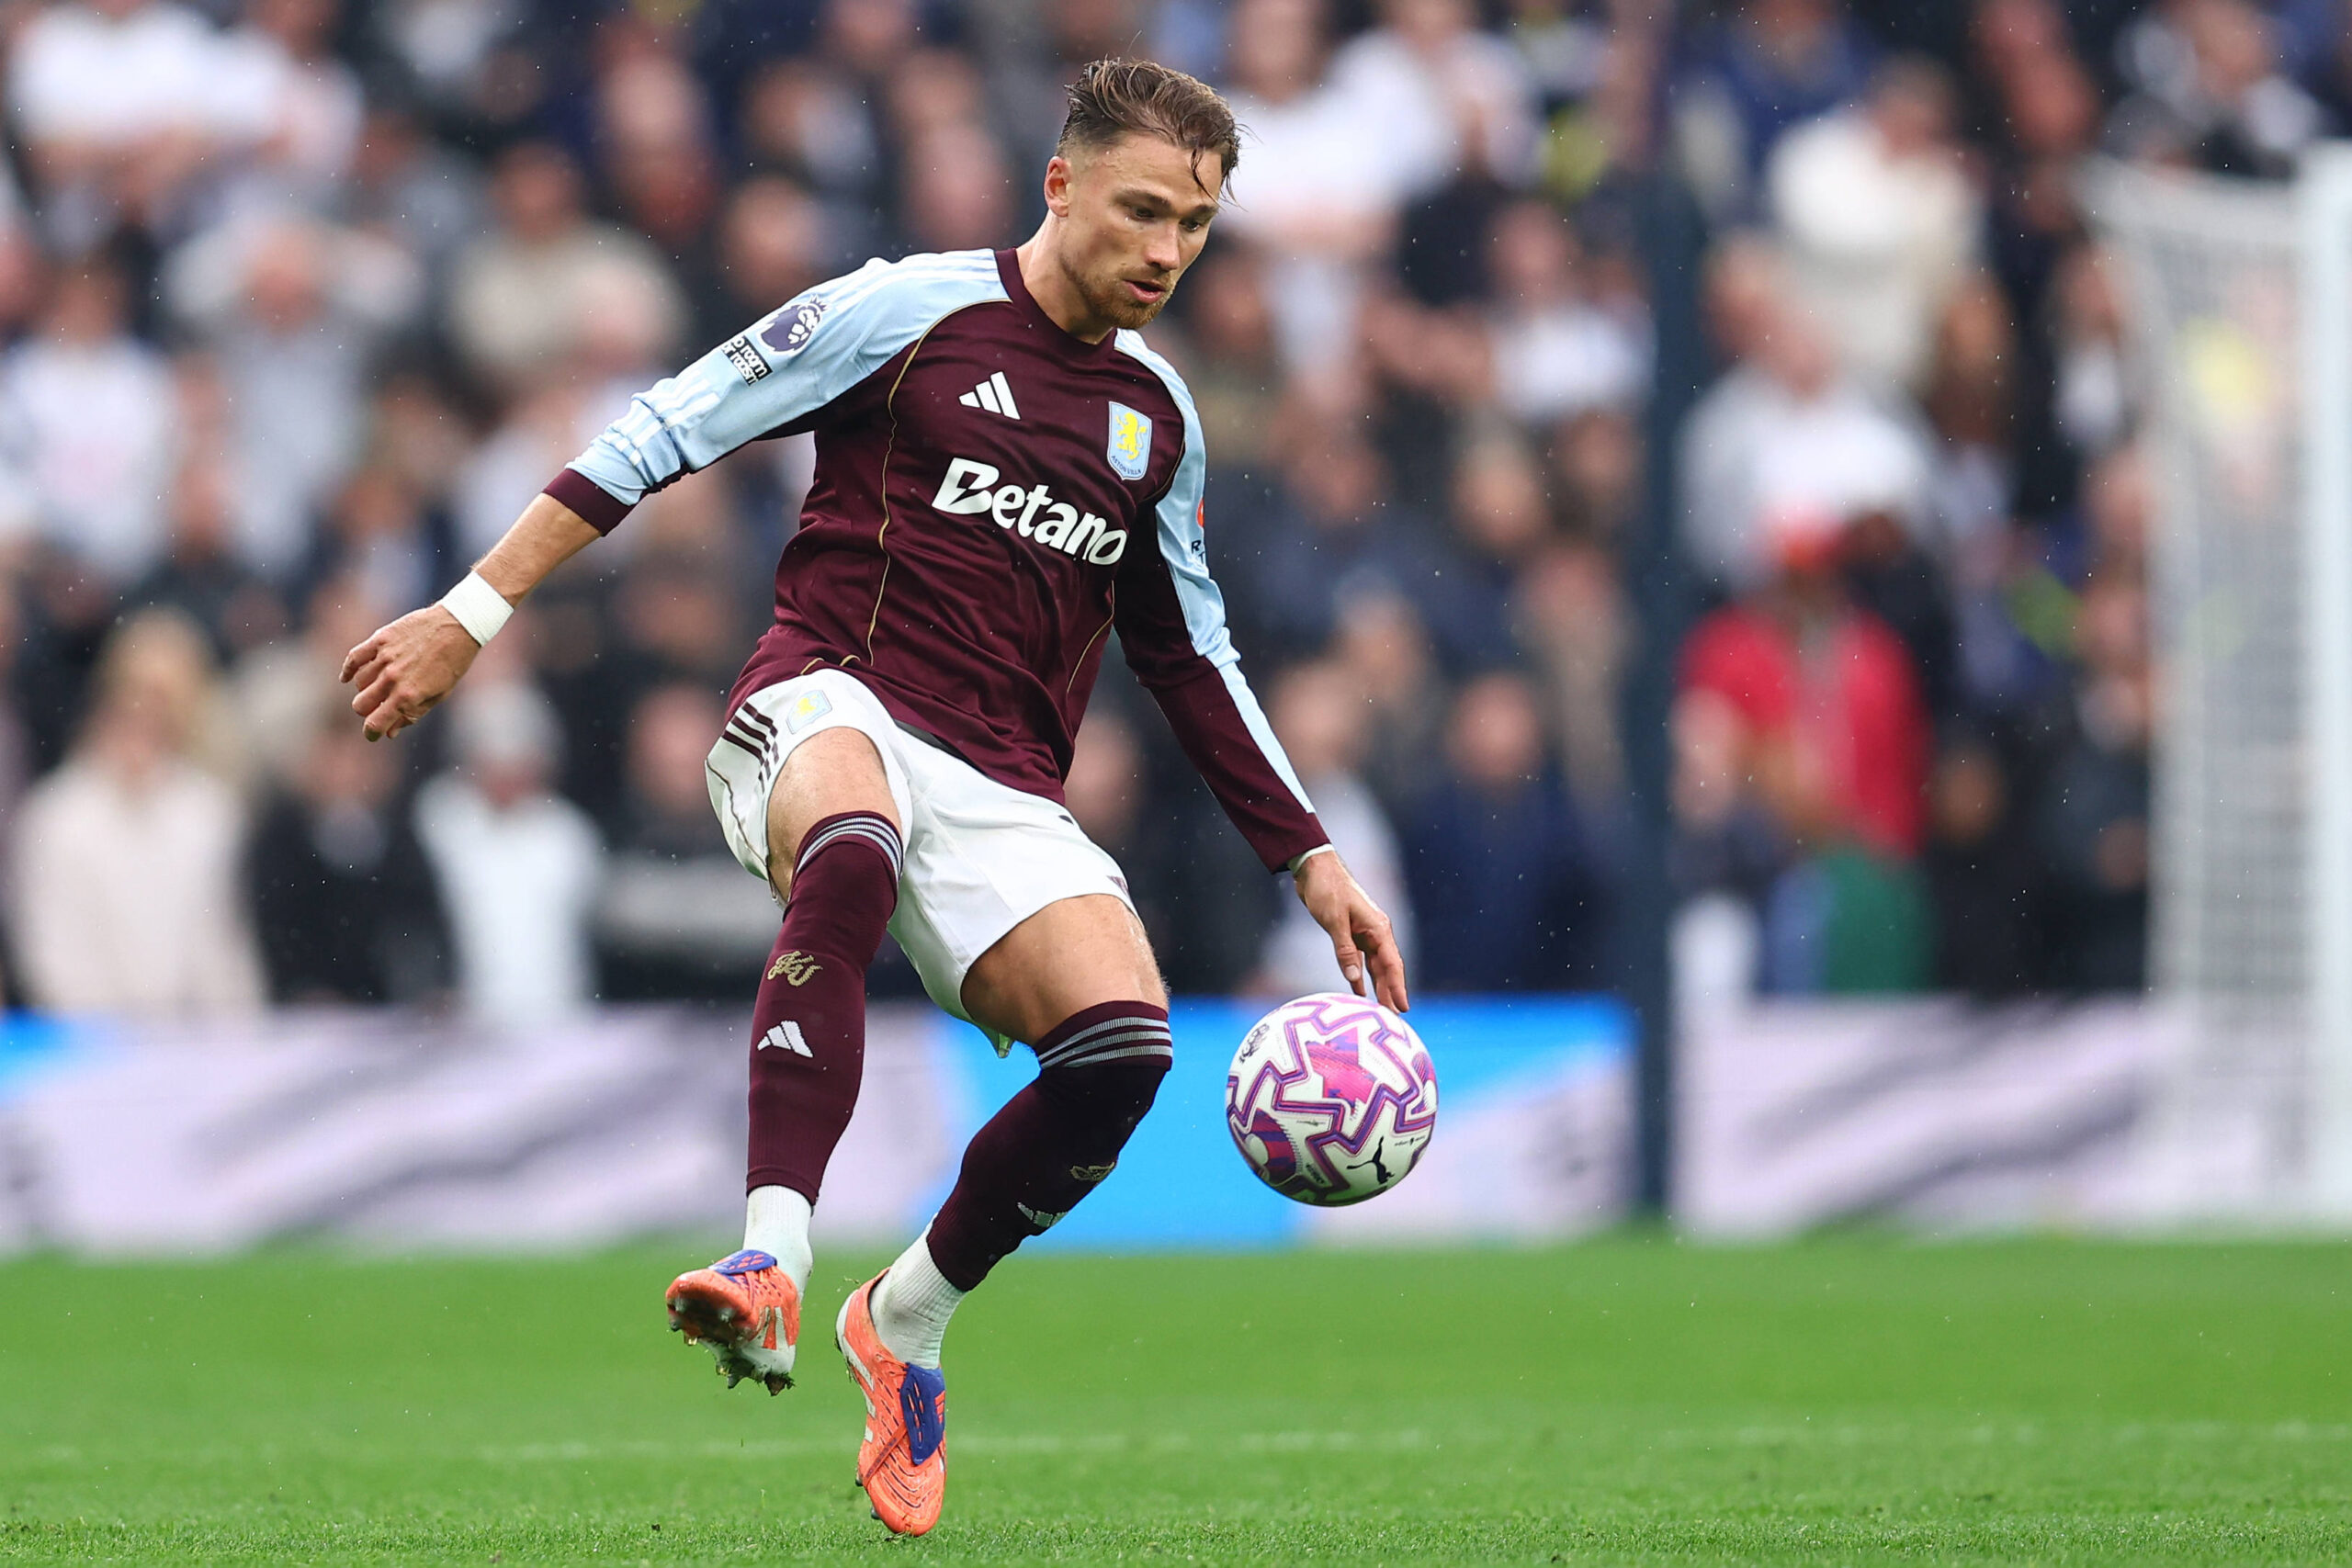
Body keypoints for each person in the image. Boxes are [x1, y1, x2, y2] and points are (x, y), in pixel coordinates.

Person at [340, 59, 1407, 1538]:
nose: (1168, 252)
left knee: (1121, 1056)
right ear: (1061, 184)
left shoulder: (1156, 420)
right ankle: (771, 1258)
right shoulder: (907, 309)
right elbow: (668, 427)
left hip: (1004, 784)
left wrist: (1313, 859)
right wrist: (474, 610)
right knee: (849, 841)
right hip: (825, 697)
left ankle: (902, 1321)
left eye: (1198, 227)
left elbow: (1191, 655)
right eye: (1145, 211)